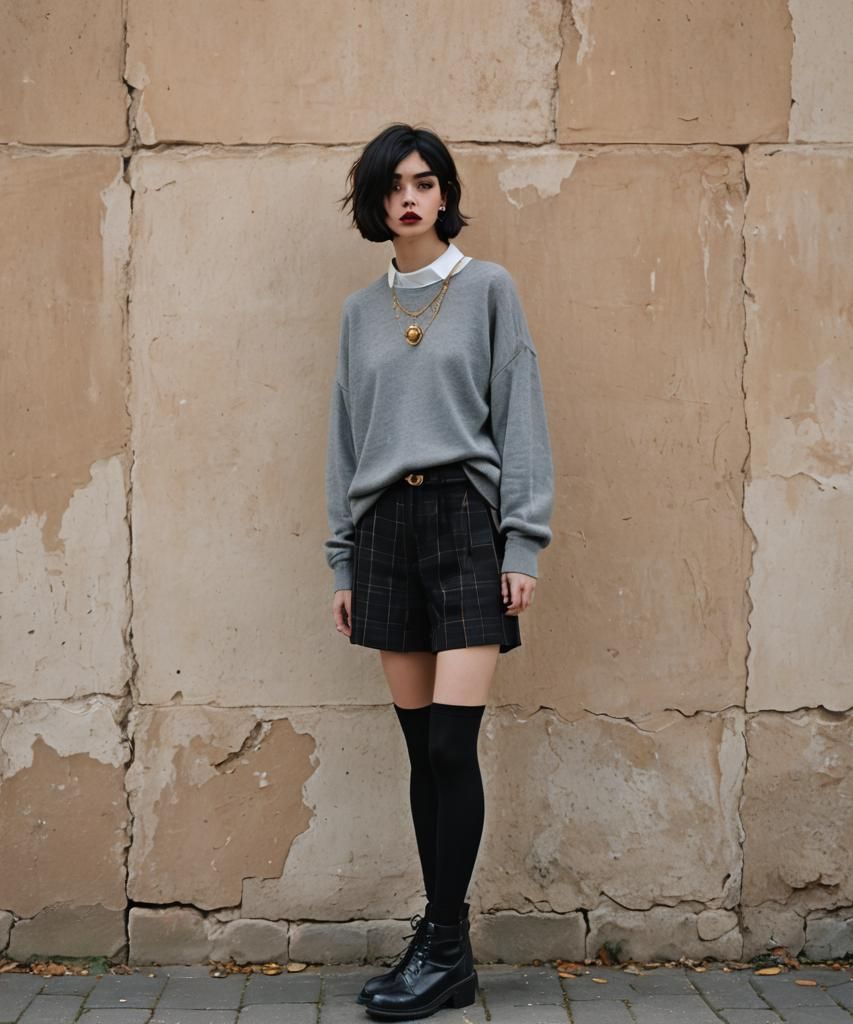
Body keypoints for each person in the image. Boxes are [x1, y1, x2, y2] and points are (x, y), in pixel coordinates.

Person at [323, 123, 554, 1021]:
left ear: (446, 194)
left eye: (425, 182)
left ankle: (449, 947)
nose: (410, 197)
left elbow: (521, 412)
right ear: (375, 203)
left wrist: (522, 542)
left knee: (455, 744)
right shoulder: (357, 312)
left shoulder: (488, 289)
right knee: (421, 750)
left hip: (465, 521)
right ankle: (437, 944)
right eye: (393, 186)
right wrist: (342, 558)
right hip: (384, 530)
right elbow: (344, 441)